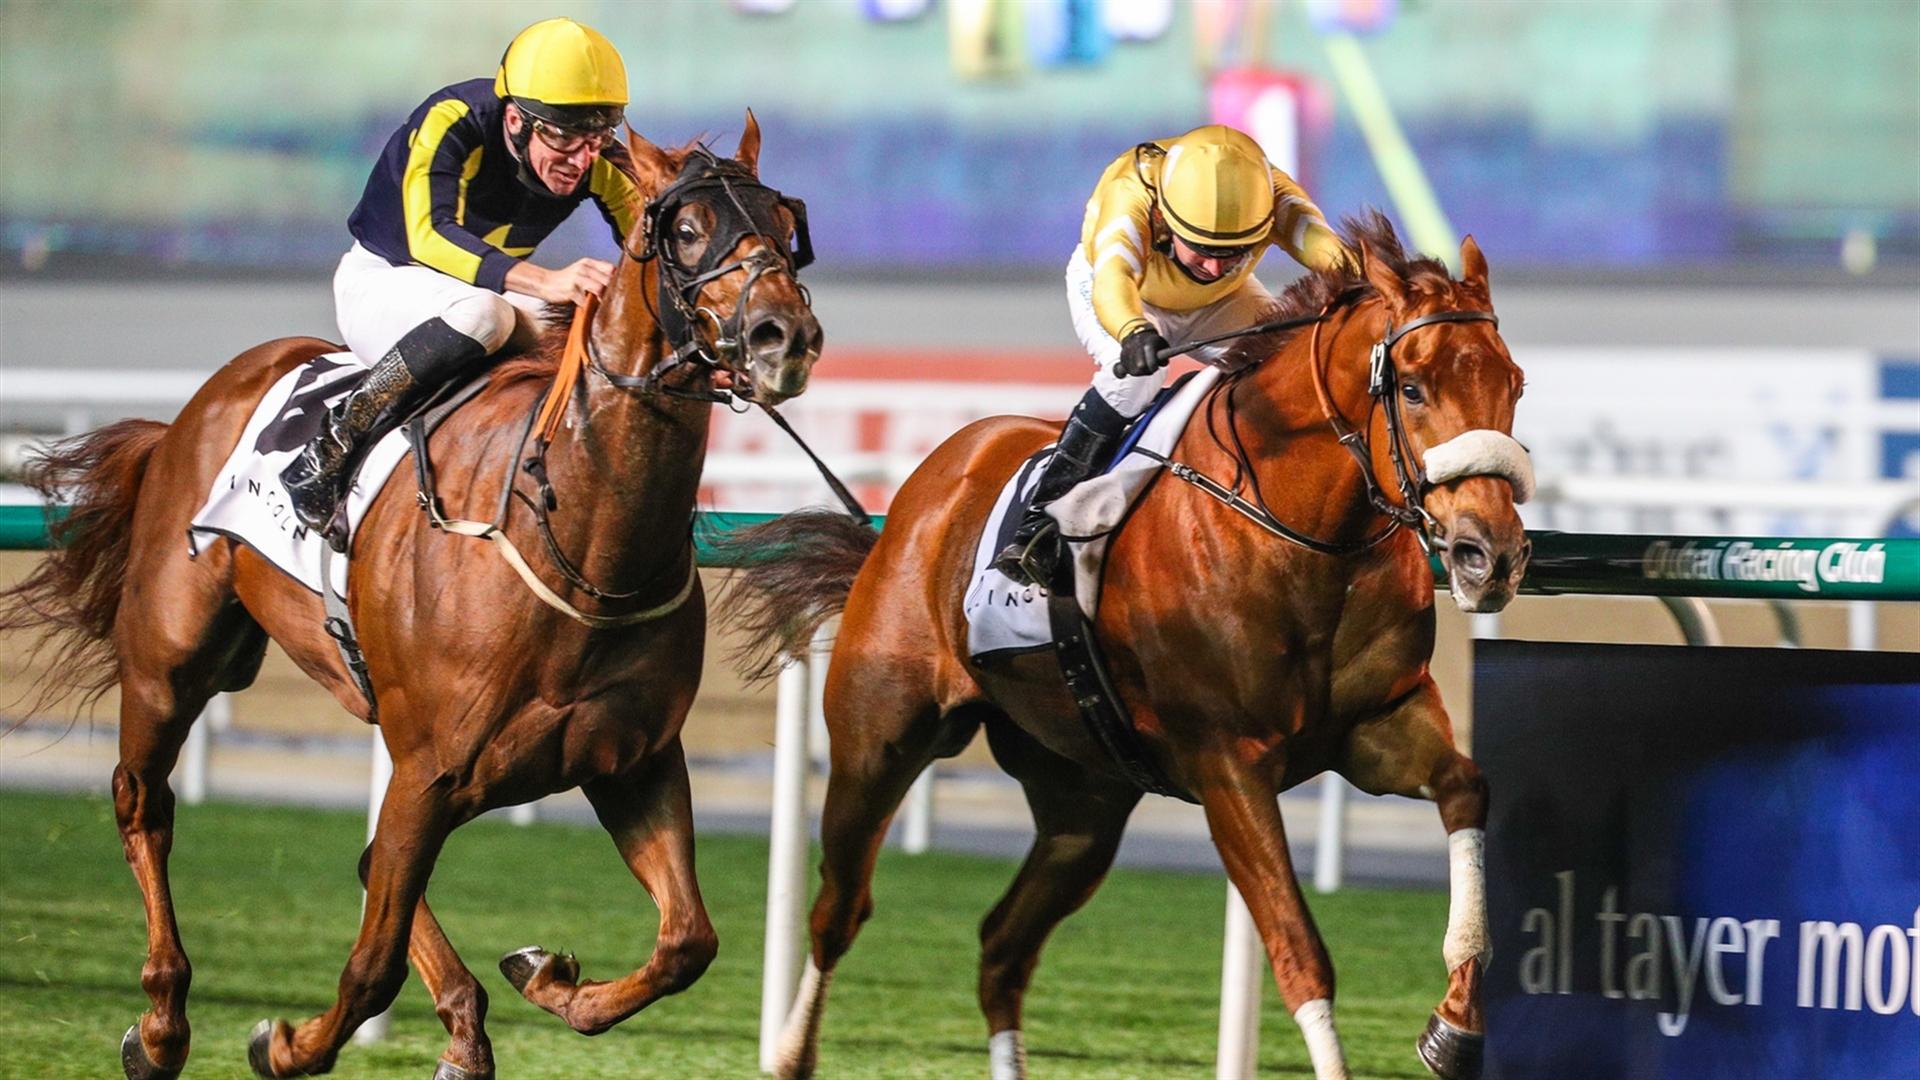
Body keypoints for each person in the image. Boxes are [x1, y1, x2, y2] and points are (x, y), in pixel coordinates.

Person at [281, 17, 643, 540]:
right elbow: (429, 235)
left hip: (483, 297)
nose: (582, 159)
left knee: (590, 339)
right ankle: (329, 450)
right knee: (483, 313)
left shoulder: (595, 158)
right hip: (386, 278)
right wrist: (546, 282)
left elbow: (653, 251)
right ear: (517, 120)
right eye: (565, 137)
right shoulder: (454, 118)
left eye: (597, 136)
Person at [993, 124, 1353, 585]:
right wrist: (1133, 329)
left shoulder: (1273, 194)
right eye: (1202, 249)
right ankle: (1040, 523)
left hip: (1222, 302)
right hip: (1124, 291)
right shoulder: (1131, 193)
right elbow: (1114, 278)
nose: (1216, 266)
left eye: (1234, 252)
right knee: (1135, 380)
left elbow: (1334, 255)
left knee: (1285, 368)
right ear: (1166, 218)